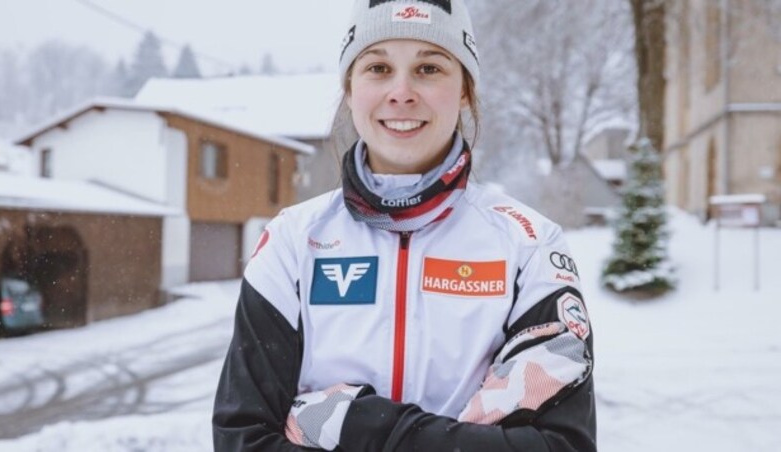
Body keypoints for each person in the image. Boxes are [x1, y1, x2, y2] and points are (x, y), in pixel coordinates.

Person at [212, 0, 596, 450]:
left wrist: (357, 424)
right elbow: (243, 437)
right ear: (350, 90)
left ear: (466, 91)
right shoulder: (293, 240)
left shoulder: (528, 244)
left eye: (429, 69)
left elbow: (560, 445)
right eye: (377, 67)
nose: (401, 92)